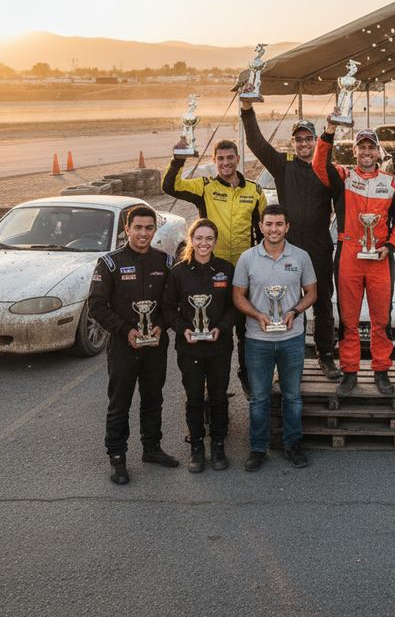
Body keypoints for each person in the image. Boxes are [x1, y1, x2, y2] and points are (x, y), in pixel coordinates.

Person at [240, 104, 341, 380]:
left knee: (322, 304)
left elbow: (344, 205)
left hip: (320, 246)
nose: (304, 143)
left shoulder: (328, 170)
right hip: (289, 248)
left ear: (316, 140)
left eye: (309, 138)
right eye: (299, 139)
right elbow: (256, 143)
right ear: (293, 143)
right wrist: (247, 110)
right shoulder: (282, 166)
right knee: (283, 303)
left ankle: (326, 357)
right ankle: (285, 359)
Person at [162, 137, 267, 396]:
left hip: (244, 270)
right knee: (209, 323)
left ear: (237, 159)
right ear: (214, 161)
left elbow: (264, 230)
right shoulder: (205, 186)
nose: (225, 163)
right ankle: (209, 387)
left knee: (244, 328)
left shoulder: (254, 190)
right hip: (211, 270)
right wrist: (179, 158)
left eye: (230, 157)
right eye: (220, 158)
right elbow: (170, 186)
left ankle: (246, 377)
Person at [313, 125, 395, 395]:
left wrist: (390, 246)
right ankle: (350, 371)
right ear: (354, 151)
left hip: (379, 256)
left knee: (381, 319)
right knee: (349, 319)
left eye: (371, 147)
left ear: (378, 152)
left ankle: (381, 370)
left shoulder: (392, 183)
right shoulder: (343, 176)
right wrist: (329, 133)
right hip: (349, 253)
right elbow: (319, 165)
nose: (366, 152)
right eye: (362, 147)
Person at [88, 205, 178, 485]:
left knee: (154, 399)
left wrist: (162, 325)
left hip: (155, 345)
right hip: (123, 346)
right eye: (137, 227)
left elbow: (171, 304)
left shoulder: (166, 262)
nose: (143, 233)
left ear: (155, 230)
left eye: (148, 228)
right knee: (120, 403)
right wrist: (126, 331)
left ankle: (152, 448)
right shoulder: (110, 263)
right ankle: (117, 458)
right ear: (126, 229)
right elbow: (97, 306)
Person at [232, 204, 317, 472]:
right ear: (261, 227)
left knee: (292, 396)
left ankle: (292, 445)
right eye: (269, 224)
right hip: (258, 340)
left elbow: (311, 293)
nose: (274, 229)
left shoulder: (301, 257)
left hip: (291, 337)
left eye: (279, 224)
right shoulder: (247, 258)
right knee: (259, 398)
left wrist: (294, 311)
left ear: (287, 227)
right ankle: (258, 449)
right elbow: (237, 297)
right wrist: (258, 315)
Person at [161, 218, 237, 473]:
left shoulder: (226, 269)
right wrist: (184, 330)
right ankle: (196, 447)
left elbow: (233, 307)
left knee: (218, 397)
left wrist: (222, 328)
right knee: (194, 397)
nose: (204, 243)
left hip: (219, 346)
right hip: (190, 347)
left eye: (209, 239)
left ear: (215, 242)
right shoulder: (178, 272)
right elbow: (168, 309)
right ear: (192, 240)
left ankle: (217, 446)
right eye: (199, 238)